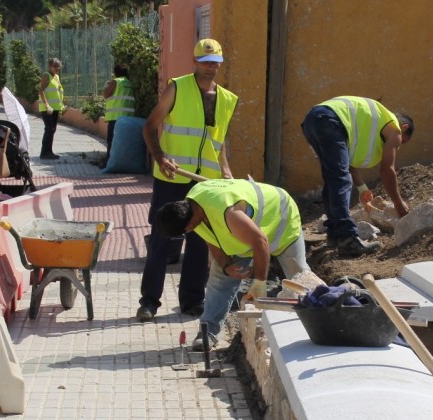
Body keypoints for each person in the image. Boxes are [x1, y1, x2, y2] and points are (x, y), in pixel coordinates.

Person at [136, 39, 239, 322]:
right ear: (195, 62)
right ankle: (149, 302)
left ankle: (192, 302)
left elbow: (219, 142)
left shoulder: (227, 99)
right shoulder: (178, 87)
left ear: (220, 63)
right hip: (171, 176)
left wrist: (226, 170)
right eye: (205, 61)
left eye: (215, 62)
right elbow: (150, 126)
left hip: (205, 182)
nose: (210, 67)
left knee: (200, 241)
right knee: (161, 239)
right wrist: (159, 157)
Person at [155, 178, 310, 350]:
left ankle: (322, 316)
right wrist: (226, 265)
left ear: (188, 226)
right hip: (244, 235)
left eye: (185, 231)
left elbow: (261, 242)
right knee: (219, 279)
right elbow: (211, 238)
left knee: (299, 278)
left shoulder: (229, 213)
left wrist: (259, 282)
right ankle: (208, 332)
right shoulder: (192, 207)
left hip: (280, 219)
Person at [301, 96, 414, 257]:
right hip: (329, 120)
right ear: (404, 127)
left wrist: (362, 189)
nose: (397, 146)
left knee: (333, 176)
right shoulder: (395, 130)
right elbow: (387, 169)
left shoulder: (371, 122)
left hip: (313, 120)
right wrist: (398, 203)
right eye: (402, 142)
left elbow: (346, 163)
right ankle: (348, 239)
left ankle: (335, 234)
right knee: (340, 179)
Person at [101, 63, 134, 167]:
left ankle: (110, 163)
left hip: (115, 117)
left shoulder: (115, 82)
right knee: (124, 142)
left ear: (115, 73)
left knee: (112, 141)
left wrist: (106, 86)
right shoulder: (129, 83)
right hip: (128, 117)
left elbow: (106, 94)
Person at [38, 57, 64, 160]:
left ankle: (49, 151)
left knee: (52, 129)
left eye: (59, 67)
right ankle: (44, 152)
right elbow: (41, 90)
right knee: (49, 129)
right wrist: (46, 105)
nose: (58, 69)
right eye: (56, 67)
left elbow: (58, 92)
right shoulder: (46, 75)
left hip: (56, 108)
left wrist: (61, 106)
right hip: (47, 109)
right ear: (50, 66)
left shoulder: (56, 77)